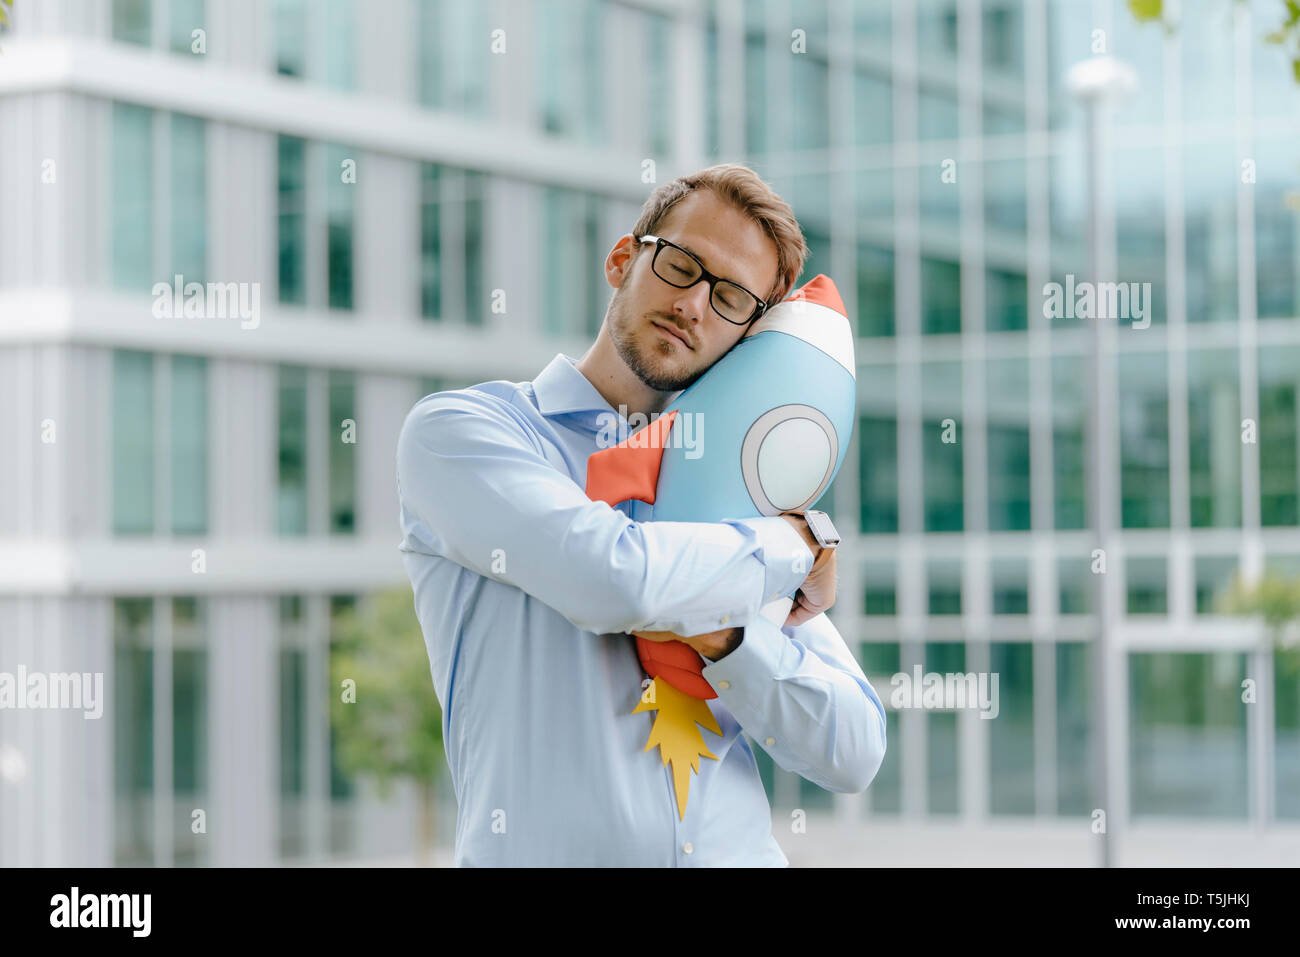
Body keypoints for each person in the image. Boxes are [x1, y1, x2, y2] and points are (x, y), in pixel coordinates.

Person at [396, 163, 886, 866]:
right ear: (625, 258)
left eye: (730, 298)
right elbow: (614, 579)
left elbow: (855, 750)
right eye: (683, 265)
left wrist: (730, 642)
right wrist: (793, 545)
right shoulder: (465, 433)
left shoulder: (739, 496)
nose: (694, 305)